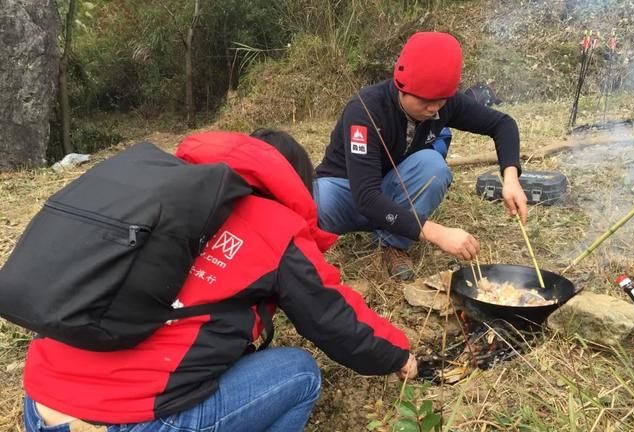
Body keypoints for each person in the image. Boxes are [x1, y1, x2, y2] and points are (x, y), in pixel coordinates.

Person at [22, 129, 417, 432]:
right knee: (300, 373)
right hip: (129, 420)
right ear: (296, 184)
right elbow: (334, 318)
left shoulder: (163, 197)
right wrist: (397, 353)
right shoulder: (275, 225)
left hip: (38, 402)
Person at [314, 31, 528, 281]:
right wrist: (438, 233)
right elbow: (366, 198)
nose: (434, 109)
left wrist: (511, 177)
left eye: (441, 101)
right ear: (401, 87)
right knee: (317, 203)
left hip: (393, 190)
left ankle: (393, 243)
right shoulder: (365, 110)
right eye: (426, 101)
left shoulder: (442, 104)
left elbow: (502, 124)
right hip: (347, 193)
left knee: (432, 165)